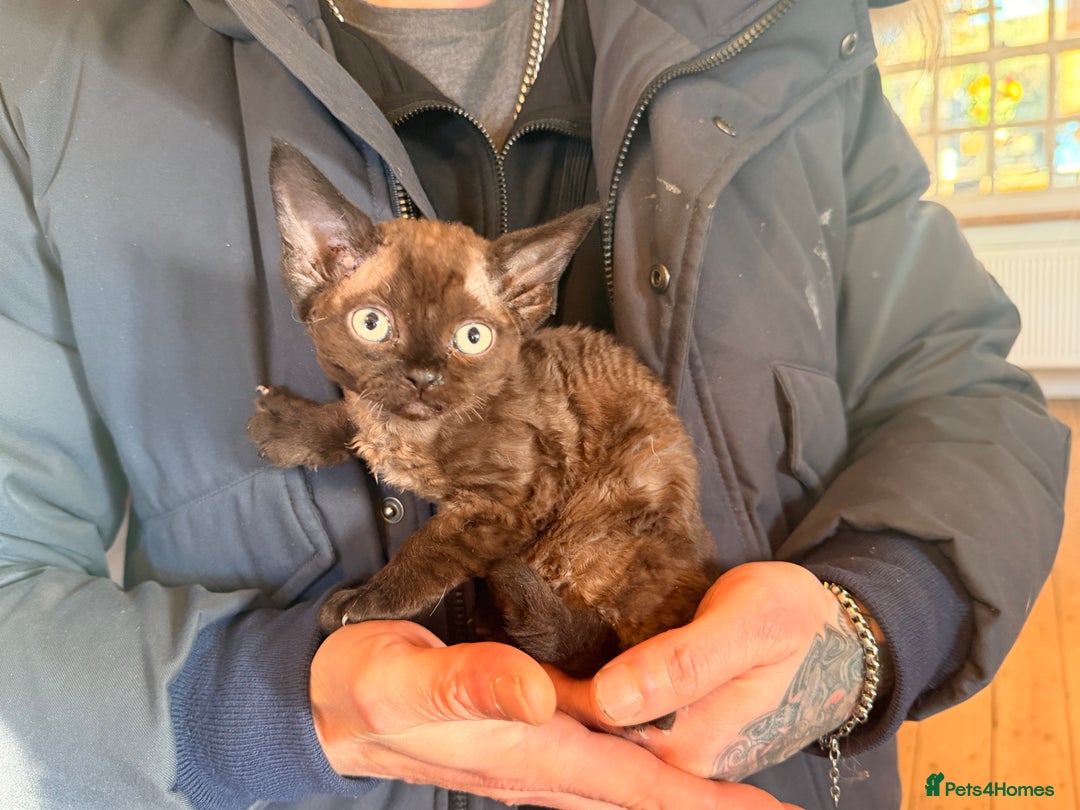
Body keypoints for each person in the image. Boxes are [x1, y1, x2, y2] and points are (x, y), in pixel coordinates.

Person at [0, 0, 1069, 808]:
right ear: (310, 255)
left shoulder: (787, 21)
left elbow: (961, 389)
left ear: (527, 295)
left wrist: (875, 614)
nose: (419, 370)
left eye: (468, 336)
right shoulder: (50, 57)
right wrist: (260, 708)